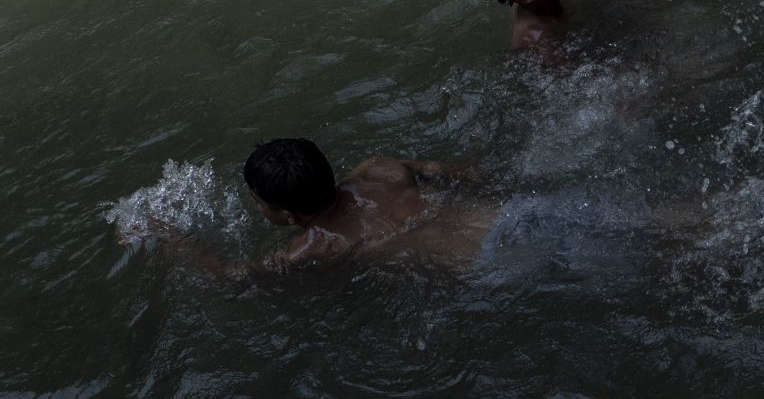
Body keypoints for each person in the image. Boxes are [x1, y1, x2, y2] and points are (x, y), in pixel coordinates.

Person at [123, 138, 498, 273]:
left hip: (483, 265)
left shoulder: (315, 245)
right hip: (500, 219)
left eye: (258, 203)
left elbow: (231, 276)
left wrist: (164, 234)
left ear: (286, 215)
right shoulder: (379, 169)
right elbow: (454, 171)